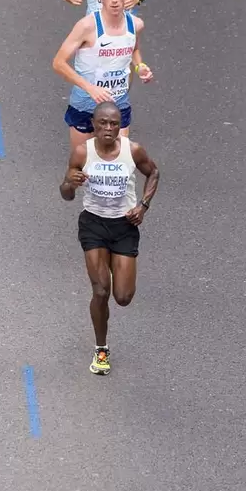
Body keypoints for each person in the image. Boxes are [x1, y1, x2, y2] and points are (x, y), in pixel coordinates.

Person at [59, 101, 160, 375]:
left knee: (123, 297)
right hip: (93, 224)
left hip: (124, 225)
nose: (108, 128)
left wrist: (143, 206)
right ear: (93, 124)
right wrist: (70, 183)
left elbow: (153, 172)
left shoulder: (132, 150)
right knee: (101, 290)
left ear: (119, 127)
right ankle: (101, 349)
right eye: (102, 123)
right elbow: (66, 194)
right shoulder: (83, 152)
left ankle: (117, 271)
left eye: (114, 124)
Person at [52, 0, 154, 148]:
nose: (114, 0)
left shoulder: (136, 24)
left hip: (118, 103)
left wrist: (140, 66)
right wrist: (90, 88)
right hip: (86, 104)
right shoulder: (86, 26)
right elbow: (58, 63)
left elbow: (134, 49)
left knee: (120, 158)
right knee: (83, 162)